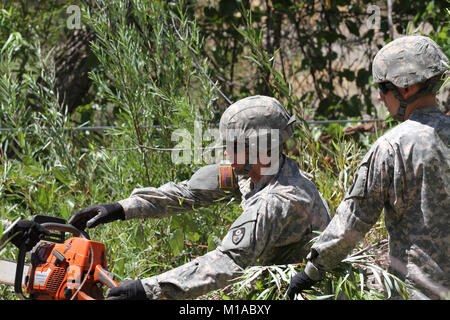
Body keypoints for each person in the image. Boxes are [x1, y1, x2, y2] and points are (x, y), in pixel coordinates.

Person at [69, 95, 331, 300]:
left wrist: (147, 289)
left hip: (307, 292)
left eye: (232, 145)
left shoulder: (278, 201)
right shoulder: (256, 171)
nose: (226, 152)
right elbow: (188, 193)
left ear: (256, 149)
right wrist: (120, 208)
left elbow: (227, 264)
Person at [287, 35, 449, 300]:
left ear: (406, 88)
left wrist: (312, 271)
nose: (379, 97)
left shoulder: (391, 148)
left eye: (383, 88)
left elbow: (352, 222)